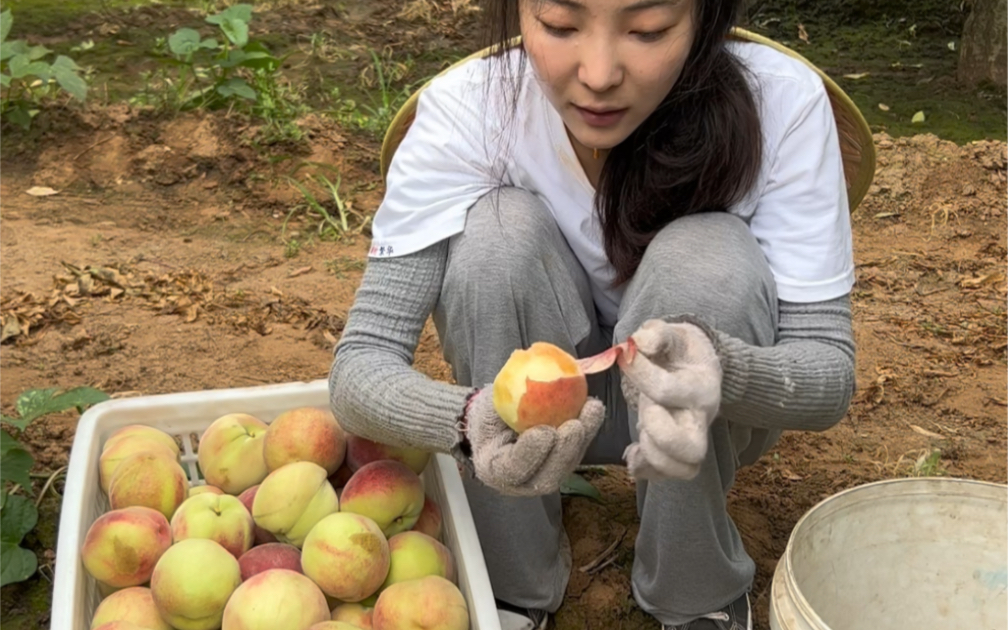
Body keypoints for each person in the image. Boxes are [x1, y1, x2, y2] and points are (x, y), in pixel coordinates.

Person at [328, 0, 858, 626]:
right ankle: (509, 586)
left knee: (710, 251)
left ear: (706, 19)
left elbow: (828, 373)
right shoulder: (471, 109)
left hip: (709, 422)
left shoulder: (781, 103)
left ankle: (696, 594)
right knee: (497, 234)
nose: (600, 74)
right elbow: (358, 366)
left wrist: (724, 372)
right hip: (532, 421)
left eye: (648, 30)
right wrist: (471, 421)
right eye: (558, 24)